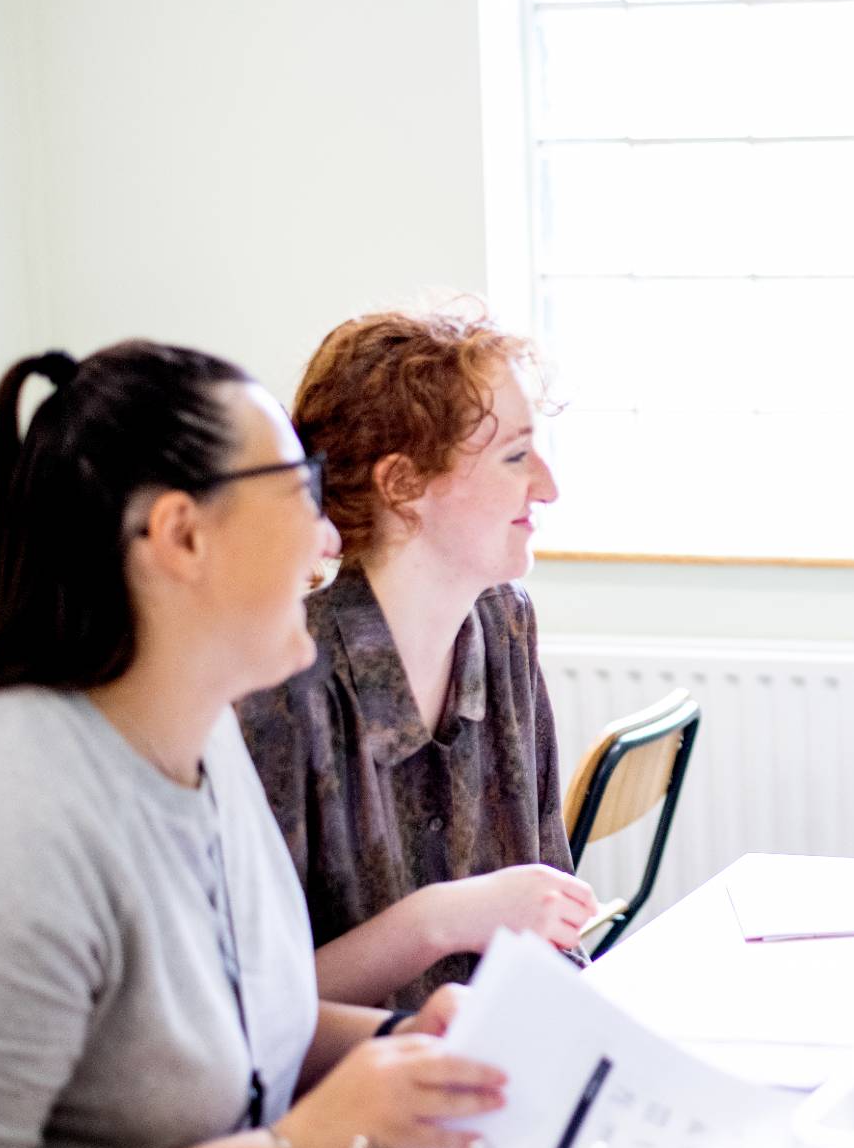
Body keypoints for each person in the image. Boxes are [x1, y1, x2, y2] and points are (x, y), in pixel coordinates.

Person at [0, 343, 505, 1148]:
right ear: (181, 535)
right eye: (301, 488)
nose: (331, 534)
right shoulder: (2, 816)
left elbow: (229, 1044)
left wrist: (406, 1045)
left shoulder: (202, 732)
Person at [236, 307, 594, 1011]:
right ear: (401, 484)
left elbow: (551, 909)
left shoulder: (503, 620)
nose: (548, 486)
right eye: (516, 456)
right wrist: (439, 920)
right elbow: (251, 1014)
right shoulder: (278, 677)